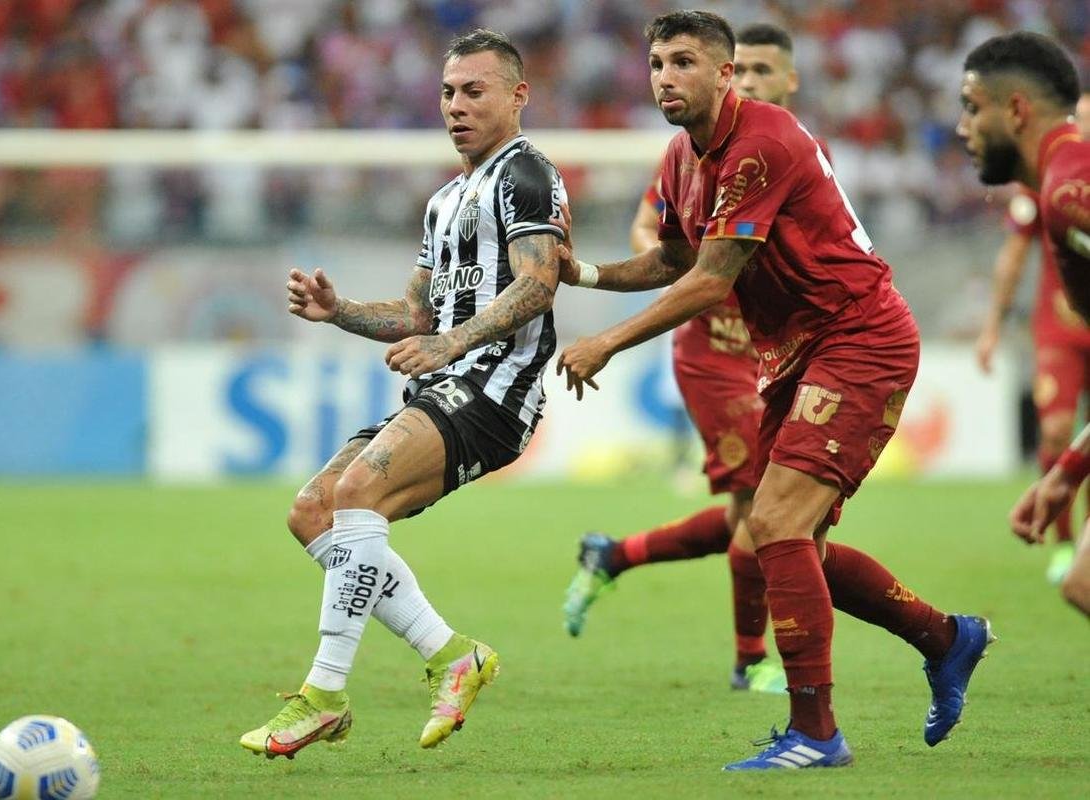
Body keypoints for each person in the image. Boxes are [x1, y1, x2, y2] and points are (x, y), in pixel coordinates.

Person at [555, 10, 992, 770]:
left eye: (684, 61)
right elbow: (673, 258)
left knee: (775, 523)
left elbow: (711, 280)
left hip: (858, 336)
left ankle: (816, 732)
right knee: (789, 543)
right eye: (657, 63)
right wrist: (586, 274)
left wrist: (606, 342)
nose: (665, 77)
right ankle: (946, 637)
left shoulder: (762, 142)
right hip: (795, 354)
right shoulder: (679, 156)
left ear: (725, 72)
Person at [239, 29, 567, 760]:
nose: (456, 105)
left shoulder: (526, 175)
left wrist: (453, 344)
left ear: (517, 96)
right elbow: (418, 314)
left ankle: (323, 696)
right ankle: (453, 655)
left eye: (474, 90)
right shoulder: (445, 200)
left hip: (495, 390)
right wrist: (340, 311)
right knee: (313, 511)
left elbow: (539, 283)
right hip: (442, 383)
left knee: (358, 492)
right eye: (448, 92)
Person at [563, 23, 812, 697]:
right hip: (713, 348)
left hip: (775, 348)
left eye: (762, 70)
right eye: (657, 64)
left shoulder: (788, 149)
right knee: (765, 508)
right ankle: (750, 659)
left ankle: (613, 555)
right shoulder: (687, 154)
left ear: (786, 80)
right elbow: (661, 239)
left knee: (760, 513)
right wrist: (603, 277)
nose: (751, 80)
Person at [956, 32, 1090, 617]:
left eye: (972, 108)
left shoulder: (1072, 193)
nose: (963, 128)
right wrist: (1067, 474)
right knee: (1081, 582)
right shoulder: (1058, 188)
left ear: (1015, 110)